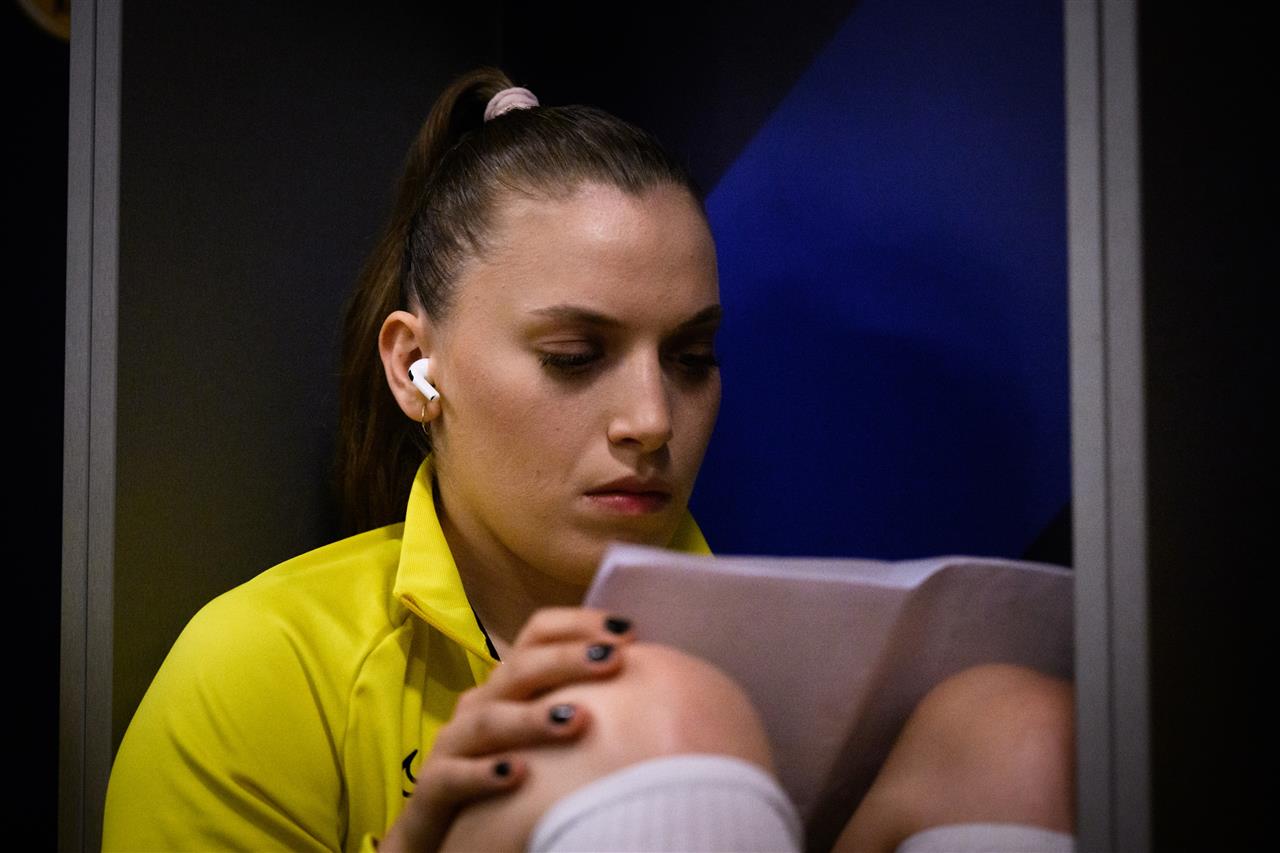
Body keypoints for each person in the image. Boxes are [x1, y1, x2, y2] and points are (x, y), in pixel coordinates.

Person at [103, 68, 1074, 852]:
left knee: (1016, 729)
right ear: (415, 367)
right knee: (647, 713)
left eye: (691, 357)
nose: (651, 418)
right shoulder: (265, 667)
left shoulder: (793, 657)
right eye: (575, 356)